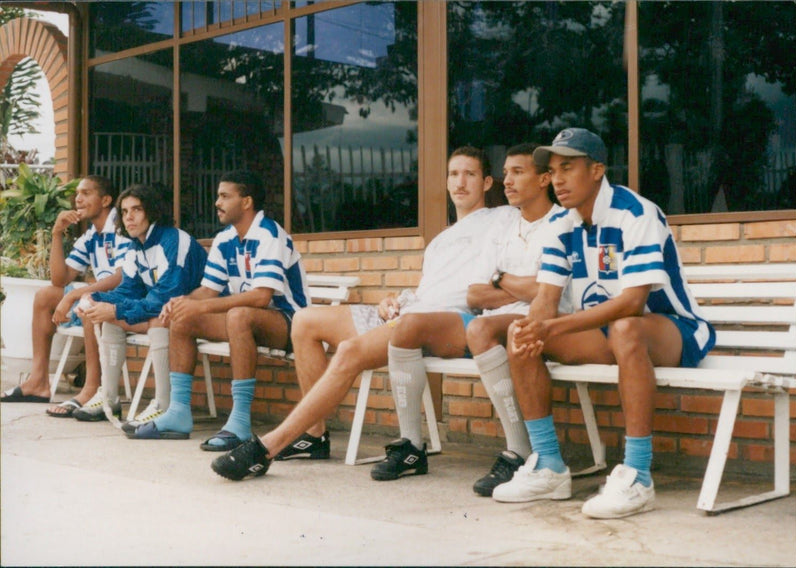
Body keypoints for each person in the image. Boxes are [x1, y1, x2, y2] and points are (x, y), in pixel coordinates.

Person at [210, 146, 516, 480]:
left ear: (487, 183)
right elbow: (431, 289)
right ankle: (314, 435)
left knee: (349, 351)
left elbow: (482, 281)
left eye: (470, 174)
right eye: (453, 174)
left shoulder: (502, 219)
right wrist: (395, 299)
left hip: (440, 323)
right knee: (305, 320)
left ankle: (267, 446)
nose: (460, 182)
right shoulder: (440, 241)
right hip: (408, 313)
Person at [494, 128, 715, 519]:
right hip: (607, 333)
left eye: (568, 167)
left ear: (597, 170)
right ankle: (548, 466)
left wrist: (554, 328)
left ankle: (638, 476)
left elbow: (633, 303)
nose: (557, 179)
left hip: (670, 330)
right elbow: (545, 298)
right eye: (552, 170)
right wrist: (535, 328)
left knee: (626, 327)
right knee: (520, 332)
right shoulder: (561, 223)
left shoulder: (635, 212)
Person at [374, 143, 570, 487]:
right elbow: (475, 292)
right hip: (497, 318)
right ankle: (410, 447)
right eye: (506, 173)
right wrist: (523, 285)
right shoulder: (505, 229)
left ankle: (518, 450)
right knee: (405, 327)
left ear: (544, 180)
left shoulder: (563, 223)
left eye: (517, 173)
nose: (507, 181)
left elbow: (553, 294)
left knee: (480, 328)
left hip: (547, 320)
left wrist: (503, 280)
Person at [127, 170, 309, 448]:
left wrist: (204, 306)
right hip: (246, 322)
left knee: (238, 315)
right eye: (218, 196)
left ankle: (239, 422)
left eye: (225, 196)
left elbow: (261, 297)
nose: (217, 202)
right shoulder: (225, 238)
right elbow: (208, 290)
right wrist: (181, 303)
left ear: (246, 202)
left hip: (291, 323)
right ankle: (178, 413)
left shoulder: (270, 234)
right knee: (182, 318)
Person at [73, 183, 207, 422]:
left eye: (136, 210)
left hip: (199, 315)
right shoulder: (137, 246)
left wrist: (115, 308)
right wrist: (95, 299)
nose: (129, 217)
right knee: (112, 319)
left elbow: (166, 296)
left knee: (156, 316)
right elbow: (128, 289)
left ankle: (163, 405)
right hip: (170, 313)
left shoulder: (173, 240)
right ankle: (110, 399)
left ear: (152, 211)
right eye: (124, 212)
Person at [2, 175, 131, 416]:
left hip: (126, 296)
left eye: (85, 193)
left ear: (105, 200)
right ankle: (38, 381)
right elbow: (59, 280)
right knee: (45, 296)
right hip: (102, 294)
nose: (78, 199)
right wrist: (57, 234)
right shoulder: (93, 234)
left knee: (87, 301)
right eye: (77, 194)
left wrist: (73, 296)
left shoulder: (122, 225)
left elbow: (122, 277)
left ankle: (91, 388)